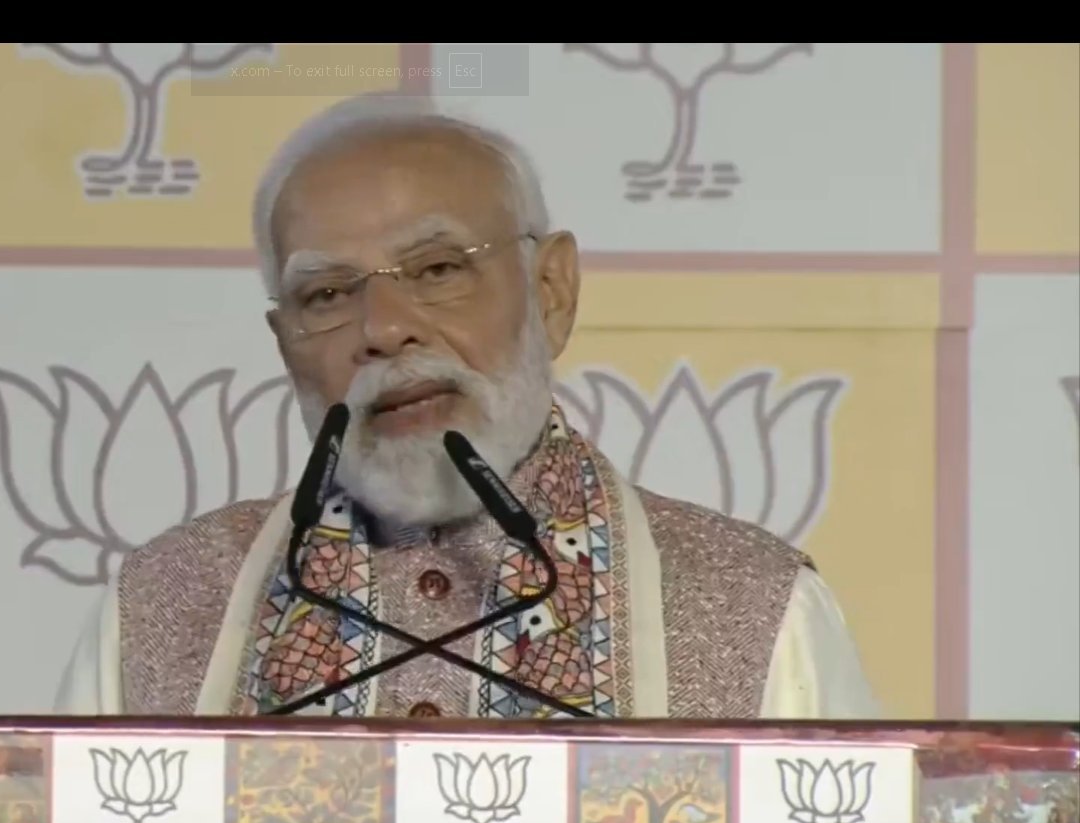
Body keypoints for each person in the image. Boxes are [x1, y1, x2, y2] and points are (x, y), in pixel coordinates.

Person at [54, 92, 879, 721]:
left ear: (551, 291)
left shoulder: (752, 605)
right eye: (328, 293)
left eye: (439, 270)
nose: (384, 330)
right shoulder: (164, 605)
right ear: (285, 343)